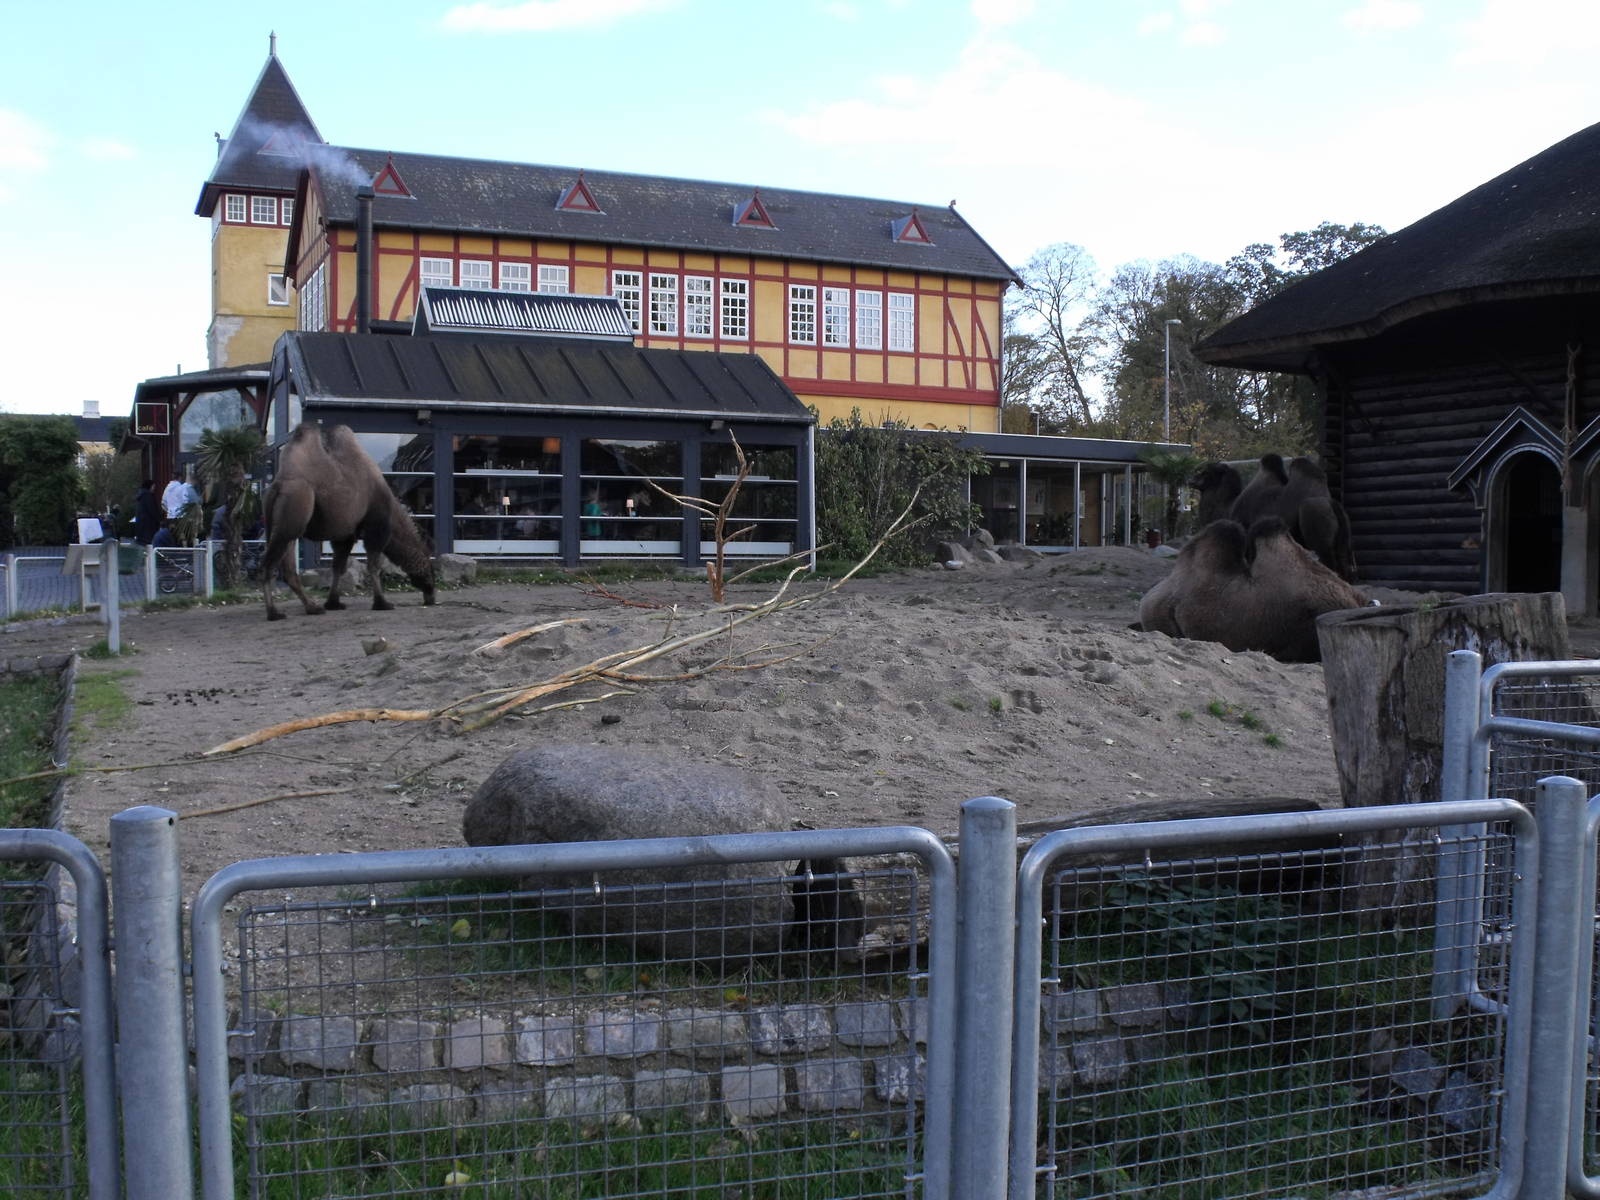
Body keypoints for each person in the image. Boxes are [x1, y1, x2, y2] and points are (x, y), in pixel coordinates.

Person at [134, 480, 161, 546]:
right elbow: (152, 510)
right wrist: (159, 519)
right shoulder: (148, 496)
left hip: (141, 525)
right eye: (153, 486)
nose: (154, 488)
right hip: (149, 526)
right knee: (149, 544)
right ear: (150, 486)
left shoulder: (141, 496)